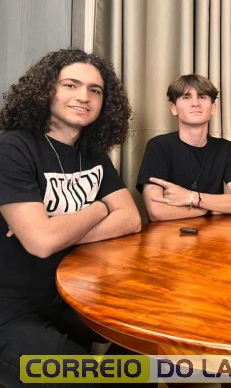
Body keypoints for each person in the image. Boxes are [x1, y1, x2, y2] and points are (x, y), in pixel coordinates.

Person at [0, 48, 142, 386]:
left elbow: (131, 219)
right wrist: (100, 207)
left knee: (145, 342)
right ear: (45, 89)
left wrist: (54, 229)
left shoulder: (93, 155)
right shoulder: (13, 149)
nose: (84, 97)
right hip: (12, 309)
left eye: (95, 90)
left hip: (72, 297)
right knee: (86, 379)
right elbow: (42, 242)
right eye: (70, 85)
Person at [137, 74, 231, 220]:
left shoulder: (226, 149)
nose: (195, 103)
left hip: (215, 232)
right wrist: (207, 208)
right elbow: (156, 211)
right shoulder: (158, 147)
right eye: (186, 97)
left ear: (213, 108)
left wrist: (191, 197)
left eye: (202, 97)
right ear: (174, 108)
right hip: (169, 233)